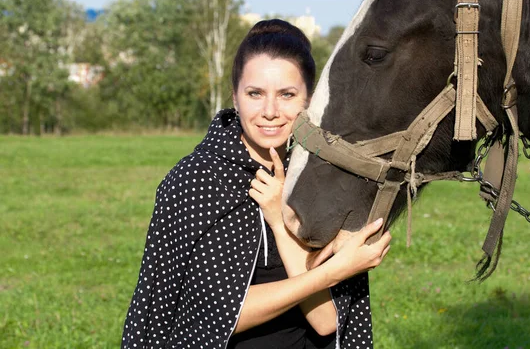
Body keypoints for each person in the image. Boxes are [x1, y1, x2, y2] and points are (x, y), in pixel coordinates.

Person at [121, 19, 392, 349]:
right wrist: (331, 272)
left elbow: (326, 322)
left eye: (287, 95)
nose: (270, 111)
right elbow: (217, 314)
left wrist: (280, 222)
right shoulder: (197, 180)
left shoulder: (322, 176)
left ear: (310, 100)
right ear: (235, 98)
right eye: (255, 94)